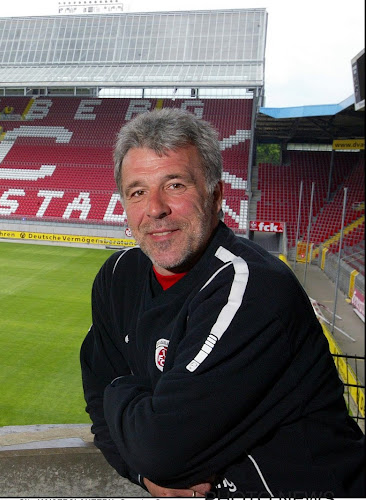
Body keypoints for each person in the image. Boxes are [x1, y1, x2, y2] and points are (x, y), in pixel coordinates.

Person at [80, 108, 365, 497]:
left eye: (175, 185)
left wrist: (115, 388)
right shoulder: (118, 278)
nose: (155, 208)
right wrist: (141, 474)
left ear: (215, 196)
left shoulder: (252, 288)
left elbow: (161, 447)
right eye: (137, 191)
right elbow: (112, 428)